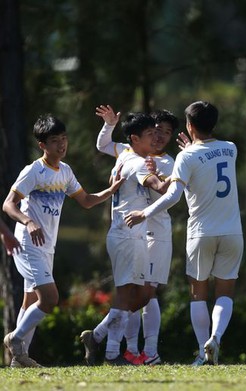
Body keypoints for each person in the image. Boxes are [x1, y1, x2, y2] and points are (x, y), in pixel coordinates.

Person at [124, 101, 243, 366]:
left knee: (197, 293)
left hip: (201, 231)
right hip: (233, 231)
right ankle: (217, 337)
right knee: (225, 292)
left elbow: (174, 195)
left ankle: (202, 352)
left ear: (189, 126)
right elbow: (211, 162)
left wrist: (145, 213)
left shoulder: (186, 157)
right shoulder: (231, 149)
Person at [2, 114, 124, 368]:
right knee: (49, 299)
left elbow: (87, 200)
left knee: (30, 303)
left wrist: (110, 191)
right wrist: (29, 221)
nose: (62, 144)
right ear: (42, 145)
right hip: (28, 244)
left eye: (64, 139)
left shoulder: (65, 171)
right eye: (55, 140)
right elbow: (8, 205)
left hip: (47, 247)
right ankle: (15, 339)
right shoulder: (34, 171)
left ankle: (18, 360)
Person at [79, 111, 175, 365]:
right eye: (150, 135)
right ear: (134, 138)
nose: (155, 139)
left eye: (158, 133)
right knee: (125, 294)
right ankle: (112, 354)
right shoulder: (138, 162)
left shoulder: (127, 156)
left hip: (134, 235)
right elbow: (159, 187)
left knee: (142, 295)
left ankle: (97, 336)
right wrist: (180, 173)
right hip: (127, 234)